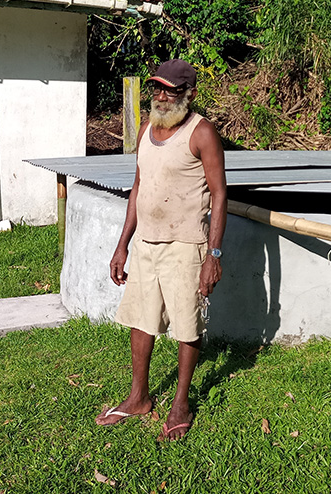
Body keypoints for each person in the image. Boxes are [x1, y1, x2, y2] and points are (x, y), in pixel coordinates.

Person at [96, 59, 227, 441]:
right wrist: (123, 245)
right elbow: (138, 187)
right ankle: (138, 397)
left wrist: (213, 256)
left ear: (190, 93)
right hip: (146, 243)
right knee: (142, 318)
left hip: (186, 245)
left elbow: (219, 195)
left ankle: (181, 404)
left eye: (171, 89)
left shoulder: (201, 133)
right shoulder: (146, 131)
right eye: (157, 88)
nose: (162, 96)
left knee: (187, 323)